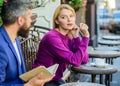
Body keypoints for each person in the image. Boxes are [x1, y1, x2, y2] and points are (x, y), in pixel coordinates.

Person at [33, 4, 90, 86]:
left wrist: (76, 37)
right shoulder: (52, 37)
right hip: (42, 81)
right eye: (64, 17)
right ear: (57, 21)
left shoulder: (68, 36)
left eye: (71, 16)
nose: (69, 19)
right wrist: (86, 37)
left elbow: (84, 59)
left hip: (55, 79)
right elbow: (76, 61)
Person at [0, 0, 53, 85]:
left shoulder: (15, 39)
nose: (31, 22)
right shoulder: (1, 46)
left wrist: (34, 77)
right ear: (20, 20)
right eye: (30, 18)